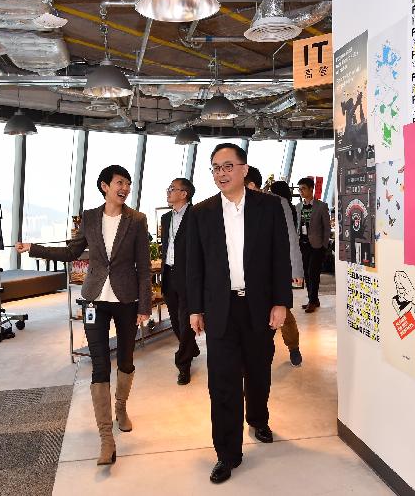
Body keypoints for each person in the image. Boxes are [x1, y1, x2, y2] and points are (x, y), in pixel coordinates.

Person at [15, 165, 151, 465]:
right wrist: (34, 248)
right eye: (119, 182)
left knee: (126, 360)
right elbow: (72, 252)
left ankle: (121, 407)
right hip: (93, 300)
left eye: (128, 183)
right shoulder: (89, 217)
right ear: (105, 186)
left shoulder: (137, 220)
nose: (125, 187)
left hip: (126, 299)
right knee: (100, 366)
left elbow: (143, 265)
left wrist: (145, 306)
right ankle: (106, 438)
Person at [187, 144, 292, 484]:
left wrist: (281, 302)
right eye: (215, 168)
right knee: (223, 382)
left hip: (258, 305)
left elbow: (280, 256)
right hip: (220, 309)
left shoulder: (269, 207)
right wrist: (195, 309)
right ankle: (227, 453)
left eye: (228, 166)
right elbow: (195, 266)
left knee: (259, 369)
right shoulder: (200, 212)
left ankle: (258, 418)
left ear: (244, 169)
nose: (221, 173)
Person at [245, 170, 305, 367]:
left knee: (283, 312)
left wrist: (296, 269)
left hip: (273, 270)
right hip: (247, 275)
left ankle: (293, 346)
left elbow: (290, 237)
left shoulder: (277, 203)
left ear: (251, 185)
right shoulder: (234, 204)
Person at [160, 177, 200, 385]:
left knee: (185, 322)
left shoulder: (197, 215)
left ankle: (183, 364)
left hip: (189, 277)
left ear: (184, 194)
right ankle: (191, 348)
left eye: (172, 188)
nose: (168, 192)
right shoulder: (166, 218)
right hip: (169, 274)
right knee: (176, 321)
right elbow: (166, 246)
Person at [296, 177, 331, 313]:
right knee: (306, 272)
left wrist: (324, 245)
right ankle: (313, 299)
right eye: (299, 189)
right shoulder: (298, 207)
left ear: (311, 189)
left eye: (303, 188)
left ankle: (312, 300)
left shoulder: (321, 206)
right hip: (303, 244)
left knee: (313, 272)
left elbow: (327, 228)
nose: (301, 191)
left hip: (317, 246)